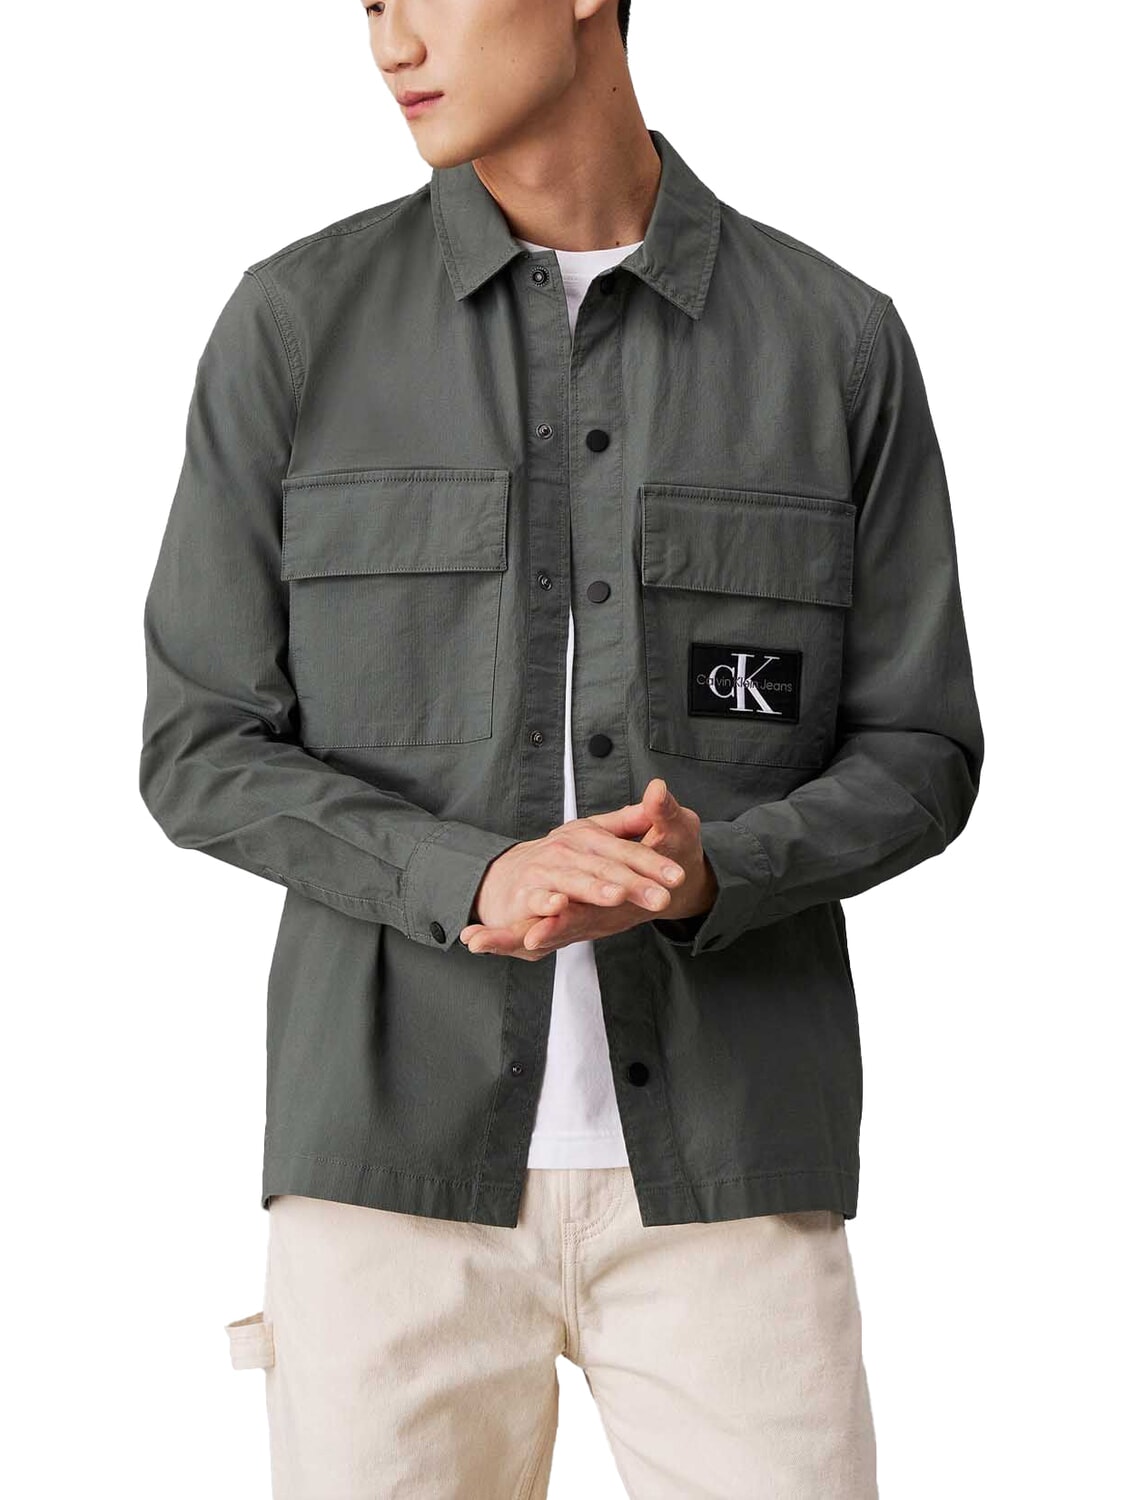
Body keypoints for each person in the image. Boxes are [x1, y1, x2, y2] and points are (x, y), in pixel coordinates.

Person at [140, 1, 984, 1495]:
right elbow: (201, 744)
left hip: (731, 1174)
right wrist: (471, 875)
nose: (389, 43)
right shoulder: (296, 323)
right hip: (387, 1180)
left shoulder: (832, 341)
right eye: (368, 5)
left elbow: (920, 747)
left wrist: (717, 872)